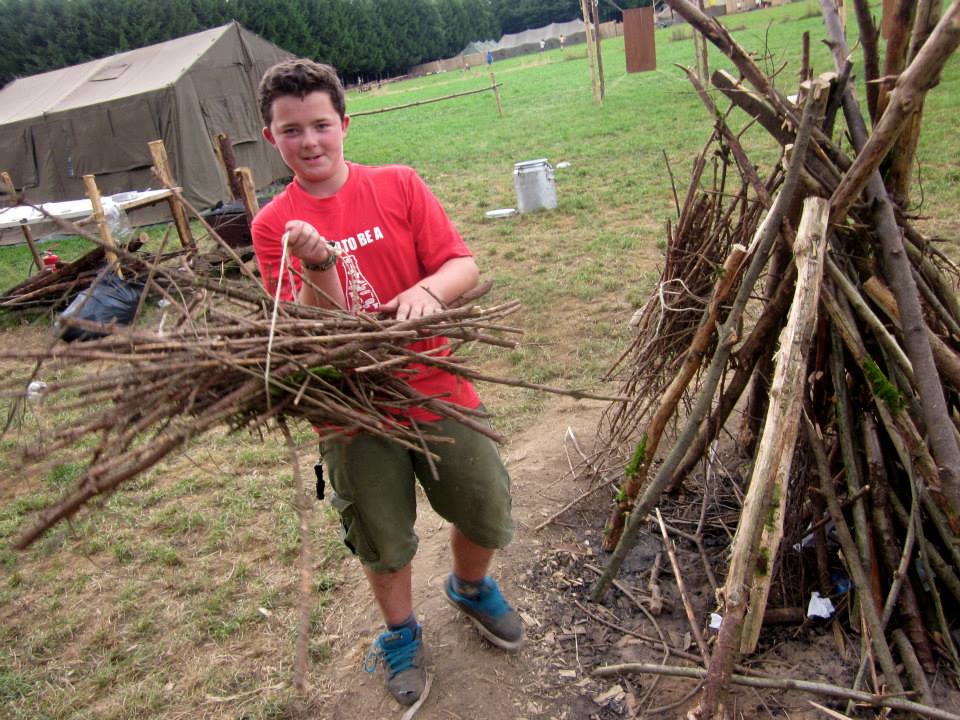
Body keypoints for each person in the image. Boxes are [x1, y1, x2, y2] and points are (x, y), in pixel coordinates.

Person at [250, 59, 523, 708]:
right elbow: (317, 335)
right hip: (349, 413)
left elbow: (462, 264)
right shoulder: (274, 227)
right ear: (270, 139)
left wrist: (428, 292)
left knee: (486, 504)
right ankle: (400, 634)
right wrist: (320, 261)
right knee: (382, 535)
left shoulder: (398, 185)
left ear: (345, 124)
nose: (310, 142)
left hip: (436, 385)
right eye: (292, 132)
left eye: (320, 125)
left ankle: (469, 586)